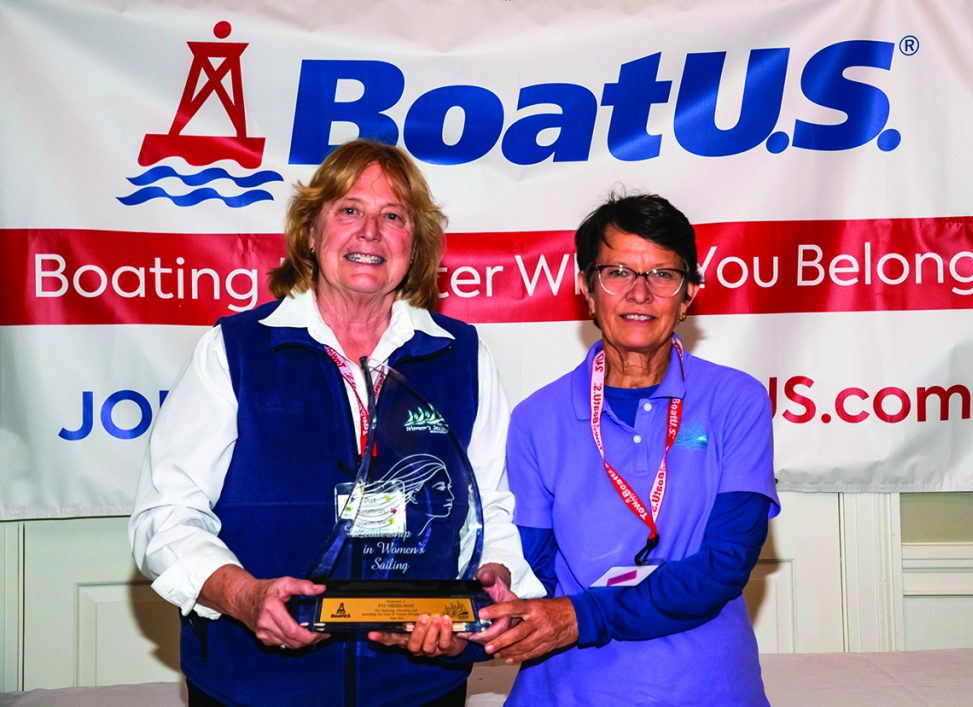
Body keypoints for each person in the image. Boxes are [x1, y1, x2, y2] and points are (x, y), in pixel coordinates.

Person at [129, 139, 543, 706]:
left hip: (416, 689)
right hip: (255, 686)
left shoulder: (462, 356)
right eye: (349, 210)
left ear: (414, 246)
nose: (369, 232)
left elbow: (492, 507)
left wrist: (492, 578)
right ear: (311, 232)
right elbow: (165, 516)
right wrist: (243, 595)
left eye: (392, 216)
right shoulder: (237, 350)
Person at [479, 193, 781, 705]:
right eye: (617, 272)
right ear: (586, 289)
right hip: (566, 688)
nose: (639, 293)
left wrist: (583, 616)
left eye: (662, 275)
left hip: (706, 688)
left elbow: (725, 564)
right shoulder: (535, 420)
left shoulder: (737, 401)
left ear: (688, 296)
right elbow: (535, 570)